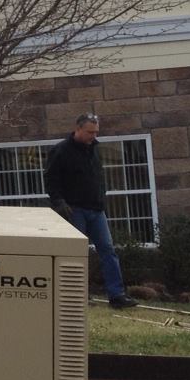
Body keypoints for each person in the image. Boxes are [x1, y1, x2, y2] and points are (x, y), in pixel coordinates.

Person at [44, 113, 136, 309]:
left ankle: (116, 295)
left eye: (96, 132)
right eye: (89, 132)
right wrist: (59, 202)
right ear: (77, 129)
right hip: (74, 209)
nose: (93, 136)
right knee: (77, 253)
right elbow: (51, 180)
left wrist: (102, 198)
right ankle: (77, 295)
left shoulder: (94, 149)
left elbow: (98, 177)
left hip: (96, 209)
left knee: (108, 250)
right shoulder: (60, 151)